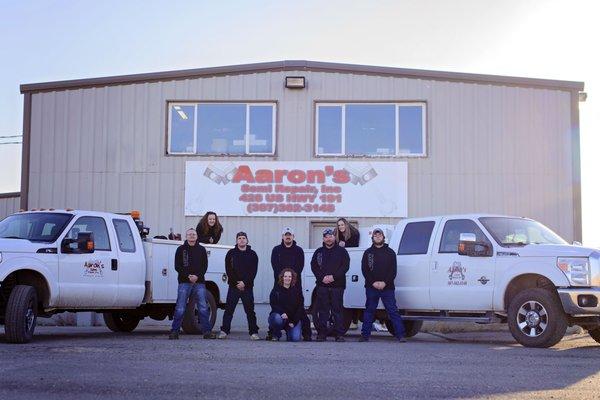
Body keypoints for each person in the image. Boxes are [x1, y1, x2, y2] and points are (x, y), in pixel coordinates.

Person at [359, 228, 406, 342]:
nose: (378, 237)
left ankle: (400, 335)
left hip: (387, 287)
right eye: (376, 235)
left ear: (383, 238)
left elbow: (393, 271)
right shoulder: (367, 253)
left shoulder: (390, 252)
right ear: (372, 238)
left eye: (380, 235)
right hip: (371, 287)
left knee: (393, 311)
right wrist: (373, 282)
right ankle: (365, 336)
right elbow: (365, 270)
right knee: (369, 311)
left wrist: (384, 282)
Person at [169, 228, 216, 340]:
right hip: (184, 282)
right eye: (189, 234)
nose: (192, 236)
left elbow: (204, 266)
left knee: (203, 307)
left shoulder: (201, 250)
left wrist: (197, 277)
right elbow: (177, 266)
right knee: (180, 308)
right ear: (186, 237)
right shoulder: (180, 249)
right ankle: (174, 332)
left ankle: (207, 332)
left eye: (194, 234)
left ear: (196, 236)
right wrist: (188, 277)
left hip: (199, 282)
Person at [268, 227, 312, 341]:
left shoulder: (299, 250)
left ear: (293, 236)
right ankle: (273, 333)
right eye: (285, 235)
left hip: (295, 283)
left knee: (299, 307)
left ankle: (306, 333)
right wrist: (283, 279)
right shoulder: (276, 250)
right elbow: (274, 266)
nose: (288, 237)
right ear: (282, 237)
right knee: (277, 308)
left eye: (290, 235)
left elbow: (300, 267)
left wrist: (291, 278)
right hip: (279, 283)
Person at [218, 232, 260, 340]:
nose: (241, 240)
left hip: (247, 287)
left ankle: (254, 332)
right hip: (233, 286)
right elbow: (229, 270)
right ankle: (224, 331)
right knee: (229, 310)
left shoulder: (253, 254)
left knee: (250, 311)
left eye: (243, 238)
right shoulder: (231, 253)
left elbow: (253, 272)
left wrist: (244, 283)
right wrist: (237, 282)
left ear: (247, 240)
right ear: (236, 240)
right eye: (239, 238)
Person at [310, 228, 350, 342]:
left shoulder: (342, 251)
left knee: (337, 311)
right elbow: (314, 266)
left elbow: (345, 266)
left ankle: (339, 334)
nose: (329, 238)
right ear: (323, 238)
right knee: (323, 311)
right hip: (322, 286)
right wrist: (322, 277)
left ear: (334, 237)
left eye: (331, 236)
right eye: (326, 236)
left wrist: (333, 277)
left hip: (338, 286)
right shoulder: (319, 252)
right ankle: (322, 334)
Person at [268, 268, 304, 342]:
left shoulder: (297, 292)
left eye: (290, 276)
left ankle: (289, 331)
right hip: (280, 317)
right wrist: (281, 313)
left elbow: (300, 308)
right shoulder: (276, 290)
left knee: (295, 339)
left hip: (292, 320)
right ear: (282, 277)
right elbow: (273, 304)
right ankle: (276, 334)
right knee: (276, 319)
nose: (287, 278)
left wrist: (294, 322)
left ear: (292, 278)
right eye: (285, 276)